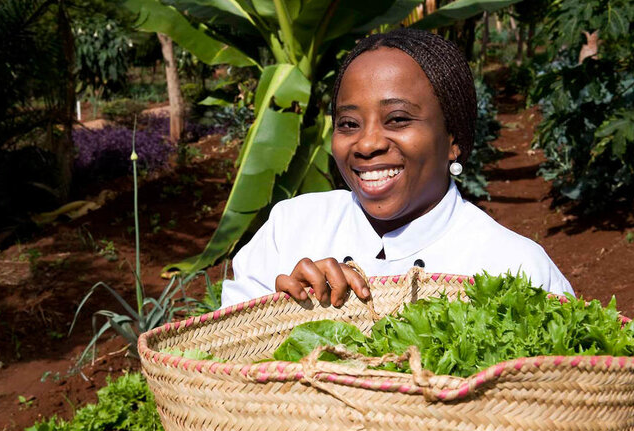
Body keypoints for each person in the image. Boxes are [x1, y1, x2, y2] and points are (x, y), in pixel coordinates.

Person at [220, 28, 573, 309]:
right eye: (348, 123)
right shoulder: (290, 230)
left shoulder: (516, 268)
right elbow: (222, 362)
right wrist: (282, 311)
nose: (367, 143)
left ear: (454, 138)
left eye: (398, 119)